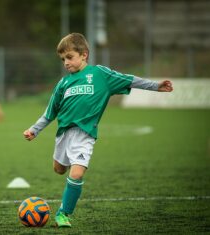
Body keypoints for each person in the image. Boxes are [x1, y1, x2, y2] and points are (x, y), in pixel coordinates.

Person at [23, 33, 173, 228]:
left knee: (76, 174)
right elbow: (50, 113)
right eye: (62, 59)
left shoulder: (100, 75)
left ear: (84, 54)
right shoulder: (63, 83)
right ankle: (68, 174)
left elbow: (129, 80)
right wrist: (34, 130)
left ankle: (63, 213)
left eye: (69, 57)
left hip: (85, 134)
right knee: (59, 169)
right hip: (64, 134)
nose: (66, 63)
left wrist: (156, 86)